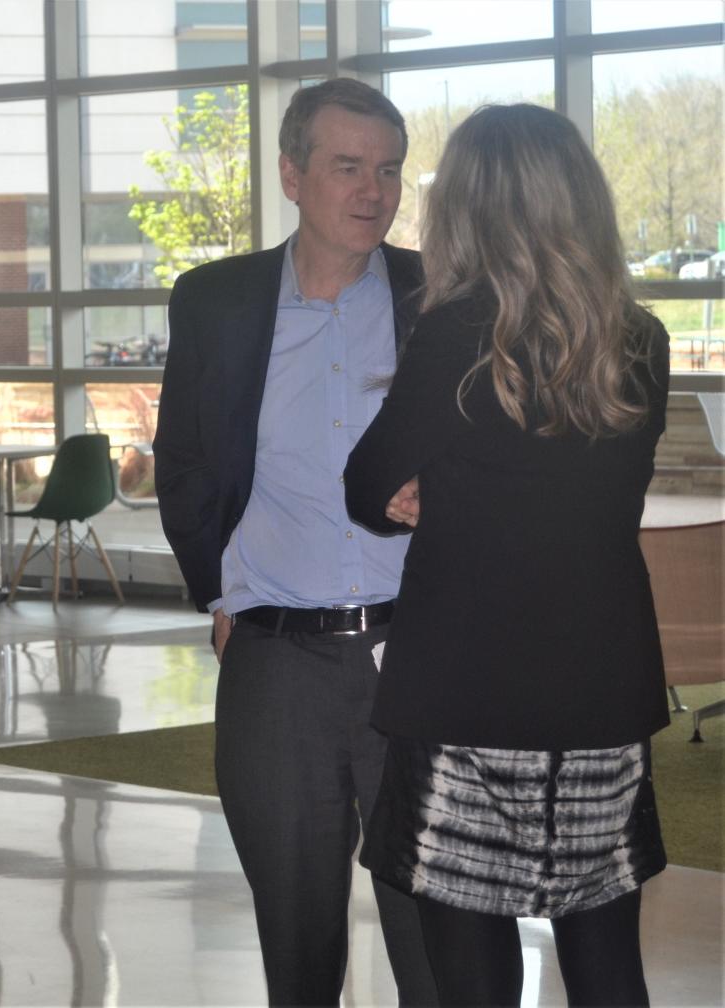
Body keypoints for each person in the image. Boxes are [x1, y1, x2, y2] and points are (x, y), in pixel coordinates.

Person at [344, 104, 670, 1007]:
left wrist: (417, 489)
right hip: (599, 693)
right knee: (609, 965)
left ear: (472, 207)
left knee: (473, 977)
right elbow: (594, 500)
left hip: (465, 698)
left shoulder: (455, 332)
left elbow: (366, 483)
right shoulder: (641, 339)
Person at [153, 79, 437, 1006]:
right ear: (291, 173)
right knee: (299, 950)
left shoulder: (438, 296)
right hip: (278, 660)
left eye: (388, 170)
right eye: (347, 166)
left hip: (424, 656)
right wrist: (219, 594)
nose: (373, 191)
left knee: (440, 946)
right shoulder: (217, 302)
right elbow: (187, 463)